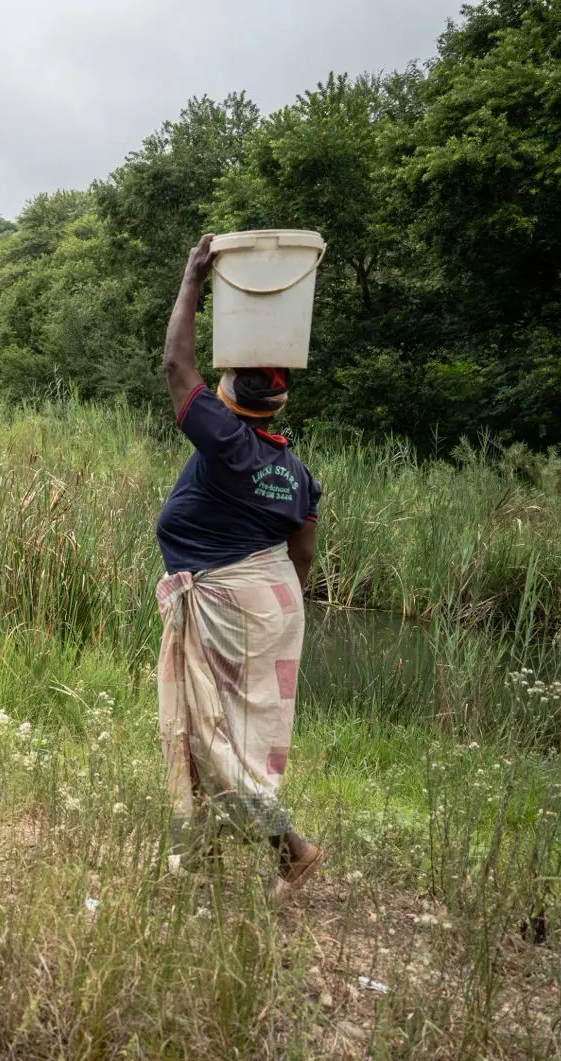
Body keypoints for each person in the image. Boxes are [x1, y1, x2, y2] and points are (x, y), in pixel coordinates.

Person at [157, 233, 325, 905]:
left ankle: (292, 849)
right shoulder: (295, 471)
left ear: (228, 399)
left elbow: (176, 362)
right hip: (274, 601)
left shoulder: (228, 442)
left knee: (212, 731)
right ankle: (201, 843)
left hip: (231, 600)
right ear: (277, 406)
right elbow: (303, 551)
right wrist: (281, 609)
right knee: (227, 727)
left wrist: (192, 278)